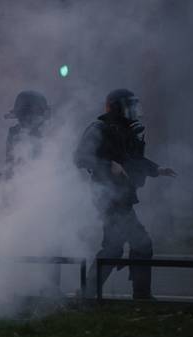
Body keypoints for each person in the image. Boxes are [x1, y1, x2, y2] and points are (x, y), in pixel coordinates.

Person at [75, 88, 177, 299]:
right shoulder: (99, 128)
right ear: (116, 107)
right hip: (108, 197)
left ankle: (88, 294)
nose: (134, 110)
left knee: (113, 249)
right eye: (130, 106)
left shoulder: (126, 130)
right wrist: (108, 164)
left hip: (122, 196)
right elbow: (80, 157)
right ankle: (140, 296)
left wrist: (156, 170)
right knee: (141, 243)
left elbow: (133, 160)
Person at [4, 90, 50, 178]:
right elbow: (10, 163)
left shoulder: (49, 134)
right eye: (22, 119)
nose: (23, 123)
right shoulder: (14, 134)